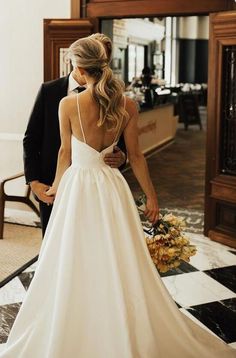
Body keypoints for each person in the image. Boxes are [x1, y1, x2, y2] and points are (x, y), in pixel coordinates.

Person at [1, 34, 235, 358]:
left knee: (72, 254)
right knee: (117, 254)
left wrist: (55, 187)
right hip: (111, 187)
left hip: (78, 187)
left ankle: (76, 316)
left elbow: (65, 153)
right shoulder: (126, 103)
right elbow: (137, 156)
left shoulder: (69, 104)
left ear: (79, 67)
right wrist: (151, 198)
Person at [23, 33, 127, 235]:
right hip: (53, 184)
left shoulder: (113, 98)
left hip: (97, 187)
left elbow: (121, 141)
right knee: (55, 244)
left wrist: (122, 156)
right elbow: (31, 139)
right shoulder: (49, 91)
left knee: (95, 242)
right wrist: (34, 182)